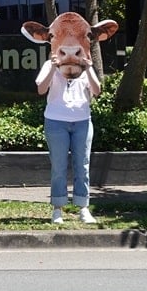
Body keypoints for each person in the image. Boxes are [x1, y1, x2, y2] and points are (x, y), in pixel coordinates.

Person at [35, 52, 102, 225]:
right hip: (56, 121)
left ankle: (83, 208)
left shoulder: (84, 65)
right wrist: (52, 67)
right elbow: (41, 89)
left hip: (82, 121)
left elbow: (97, 90)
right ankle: (57, 209)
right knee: (59, 167)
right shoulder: (50, 65)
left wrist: (88, 68)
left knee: (82, 165)